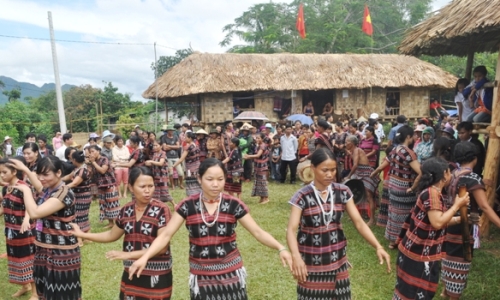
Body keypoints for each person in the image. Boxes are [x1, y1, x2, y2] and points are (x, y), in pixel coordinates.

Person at [127, 158, 293, 300]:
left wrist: (280, 247)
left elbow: (257, 232)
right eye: (210, 179)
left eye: (220, 179)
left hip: (231, 274)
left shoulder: (233, 204)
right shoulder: (187, 205)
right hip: (201, 277)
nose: (215, 184)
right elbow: (166, 235)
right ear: (199, 179)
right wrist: (145, 257)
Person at [286, 148, 390, 299]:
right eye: (325, 170)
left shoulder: (343, 191)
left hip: (338, 260)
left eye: (333, 170)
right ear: (313, 168)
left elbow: (359, 223)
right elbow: (291, 229)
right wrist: (296, 257)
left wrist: (378, 246)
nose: (330, 174)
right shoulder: (302, 195)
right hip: (310, 263)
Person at [70, 167, 173, 300]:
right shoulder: (126, 210)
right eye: (142, 186)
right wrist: (83, 235)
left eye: (151, 186)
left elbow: (162, 247)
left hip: (156, 273)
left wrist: (128, 254)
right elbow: (111, 235)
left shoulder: (161, 209)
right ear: (130, 187)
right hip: (132, 271)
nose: (147, 190)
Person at [393, 157, 469, 299]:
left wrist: (461, 218)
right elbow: (438, 222)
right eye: (449, 172)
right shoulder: (432, 194)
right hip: (419, 254)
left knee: (407, 291)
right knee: (414, 293)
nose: (451, 175)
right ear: (444, 174)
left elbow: (439, 218)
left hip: (414, 251)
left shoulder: (431, 192)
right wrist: (457, 205)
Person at [9, 156, 82, 300]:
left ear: (59, 173)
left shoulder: (64, 193)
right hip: (44, 250)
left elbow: (35, 213)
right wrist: (25, 169)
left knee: (64, 294)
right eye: (39, 174)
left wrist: (26, 191)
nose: (41, 178)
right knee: (46, 292)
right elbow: (39, 186)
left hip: (61, 253)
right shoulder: (50, 190)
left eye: (46, 174)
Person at [440, 142, 500, 299]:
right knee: (460, 262)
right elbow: (484, 207)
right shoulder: (472, 178)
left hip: (450, 220)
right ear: (475, 158)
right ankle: (453, 295)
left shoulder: (453, 173)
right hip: (463, 226)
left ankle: (446, 291)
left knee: (449, 257)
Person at [371, 125, 421, 249]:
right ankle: (404, 241)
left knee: (394, 214)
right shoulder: (409, 153)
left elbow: (382, 165)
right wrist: (413, 187)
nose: (415, 137)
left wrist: (373, 173)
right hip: (405, 189)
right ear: (409, 137)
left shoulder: (394, 150)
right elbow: (420, 172)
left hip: (393, 186)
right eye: (413, 135)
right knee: (405, 215)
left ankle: (393, 241)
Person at [0, 158, 37, 300]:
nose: (2, 175)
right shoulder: (6, 188)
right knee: (17, 260)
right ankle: (25, 286)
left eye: (4, 172)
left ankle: (35, 293)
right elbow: (3, 207)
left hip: (24, 231)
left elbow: (31, 204)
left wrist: (27, 219)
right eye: (0, 173)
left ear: (14, 171)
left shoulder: (24, 186)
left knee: (28, 260)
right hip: (11, 231)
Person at [343, 135, 380, 225]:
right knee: (354, 193)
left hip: (366, 173)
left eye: (346, 142)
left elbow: (355, 165)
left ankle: (372, 220)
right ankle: (356, 215)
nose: (345, 143)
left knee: (368, 196)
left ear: (351, 143)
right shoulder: (354, 151)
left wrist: (348, 176)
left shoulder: (357, 150)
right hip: (359, 173)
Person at [88, 145, 120, 228]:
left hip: (109, 184)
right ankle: (110, 223)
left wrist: (93, 162)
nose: (91, 154)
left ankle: (117, 223)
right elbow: (92, 174)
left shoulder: (104, 159)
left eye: (93, 151)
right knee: (104, 204)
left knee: (112, 204)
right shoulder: (93, 161)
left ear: (98, 151)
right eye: (90, 152)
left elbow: (102, 170)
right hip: (101, 185)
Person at [66, 151, 93, 246]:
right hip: (80, 196)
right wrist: (57, 181)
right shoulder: (79, 169)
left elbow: (75, 183)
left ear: (74, 160)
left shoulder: (82, 170)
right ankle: (88, 237)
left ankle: (79, 240)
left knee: (78, 217)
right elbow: (68, 177)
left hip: (83, 197)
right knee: (83, 216)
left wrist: (62, 188)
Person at [244, 133, 270, 204]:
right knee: (258, 182)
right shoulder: (258, 146)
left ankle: (266, 198)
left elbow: (258, 155)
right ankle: (262, 198)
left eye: (259, 138)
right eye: (256, 138)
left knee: (262, 182)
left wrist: (248, 156)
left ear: (262, 138)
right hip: (258, 166)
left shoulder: (263, 146)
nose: (257, 139)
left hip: (262, 166)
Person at [173, 132, 201, 196]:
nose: (184, 138)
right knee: (197, 182)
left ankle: (192, 196)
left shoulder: (188, 147)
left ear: (190, 138)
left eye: (185, 137)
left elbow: (181, 159)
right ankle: (198, 195)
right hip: (197, 167)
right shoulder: (196, 145)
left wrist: (173, 166)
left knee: (191, 183)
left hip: (190, 169)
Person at [161, 125, 184, 190]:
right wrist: (174, 146)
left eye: (172, 130)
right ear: (167, 131)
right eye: (170, 130)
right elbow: (164, 148)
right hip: (168, 157)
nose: (171, 131)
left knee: (180, 173)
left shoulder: (175, 137)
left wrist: (169, 146)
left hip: (176, 157)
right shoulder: (164, 137)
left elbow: (178, 146)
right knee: (170, 173)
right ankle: (172, 185)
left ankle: (181, 184)